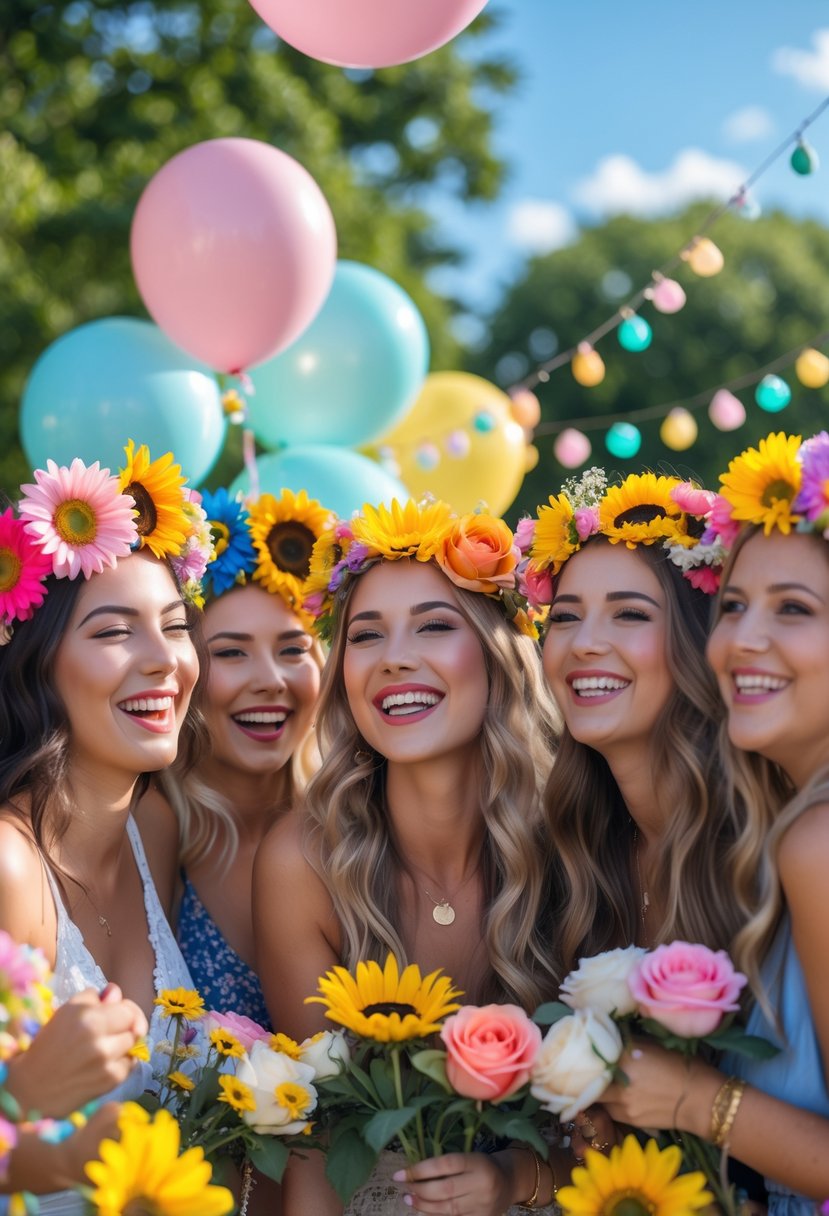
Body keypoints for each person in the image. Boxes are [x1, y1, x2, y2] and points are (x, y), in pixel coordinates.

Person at [254, 499, 561, 1216]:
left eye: (433, 625)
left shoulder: (573, 839)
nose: (395, 656)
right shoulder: (301, 863)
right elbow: (315, 1132)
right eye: (366, 635)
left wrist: (516, 1182)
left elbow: (622, 1131)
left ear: (497, 652)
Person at [596, 432, 829, 1210]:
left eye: (792, 609)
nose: (741, 640)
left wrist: (693, 1101)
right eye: (732, 606)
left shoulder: (816, 842)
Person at [0, 444, 209, 1205]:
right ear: (38, 663)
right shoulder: (8, 869)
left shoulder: (154, 831)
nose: (164, 661)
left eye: (176, 626)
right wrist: (21, 1098)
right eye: (115, 631)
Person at [522, 467, 745, 1164]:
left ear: (696, 643)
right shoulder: (579, 853)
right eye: (563, 617)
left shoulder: (766, 848)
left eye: (629, 613)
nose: (584, 643)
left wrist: (694, 1102)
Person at [157, 486, 329, 1028]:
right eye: (230, 652)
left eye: (292, 650)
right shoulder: (150, 832)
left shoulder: (359, 823)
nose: (271, 680)